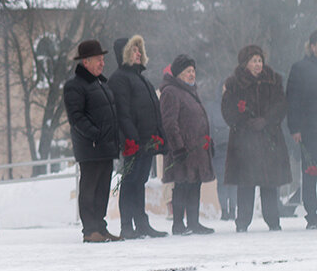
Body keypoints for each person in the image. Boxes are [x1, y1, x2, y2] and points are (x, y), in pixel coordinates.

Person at [222, 44, 291, 232]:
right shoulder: (234, 84)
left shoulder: (273, 81)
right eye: (254, 61)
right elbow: (228, 110)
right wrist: (244, 122)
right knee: (246, 183)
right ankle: (242, 222)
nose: (258, 64)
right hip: (244, 141)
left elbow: (281, 105)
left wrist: (266, 120)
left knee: (269, 182)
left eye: (260, 60)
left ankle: (273, 221)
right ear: (245, 63)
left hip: (269, 138)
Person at [63, 39, 122, 243]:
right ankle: (90, 230)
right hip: (91, 147)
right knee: (90, 188)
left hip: (106, 146)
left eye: (103, 59)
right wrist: (96, 135)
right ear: (86, 62)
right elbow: (76, 117)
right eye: (98, 59)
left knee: (103, 189)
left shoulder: (100, 84)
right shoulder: (74, 86)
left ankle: (100, 227)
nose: (102, 63)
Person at [109, 36, 167, 238]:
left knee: (139, 180)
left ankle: (141, 223)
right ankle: (127, 225)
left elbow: (152, 109)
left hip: (147, 140)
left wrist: (157, 135)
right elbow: (123, 113)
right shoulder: (119, 79)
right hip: (133, 141)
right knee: (130, 180)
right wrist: (130, 139)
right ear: (124, 53)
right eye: (134, 50)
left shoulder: (142, 78)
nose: (138, 53)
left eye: (139, 50)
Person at [159, 55, 216, 235]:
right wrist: (178, 147)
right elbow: (169, 122)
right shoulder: (171, 92)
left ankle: (193, 222)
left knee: (194, 184)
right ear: (178, 74)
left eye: (193, 71)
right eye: (187, 72)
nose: (192, 75)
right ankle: (178, 224)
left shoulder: (190, 91)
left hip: (196, 150)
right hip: (182, 150)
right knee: (182, 185)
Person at [285, 30, 317, 229]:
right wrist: (294, 127)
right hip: (309, 130)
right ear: (313, 47)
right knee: (310, 173)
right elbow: (292, 100)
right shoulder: (300, 68)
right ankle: (312, 214)